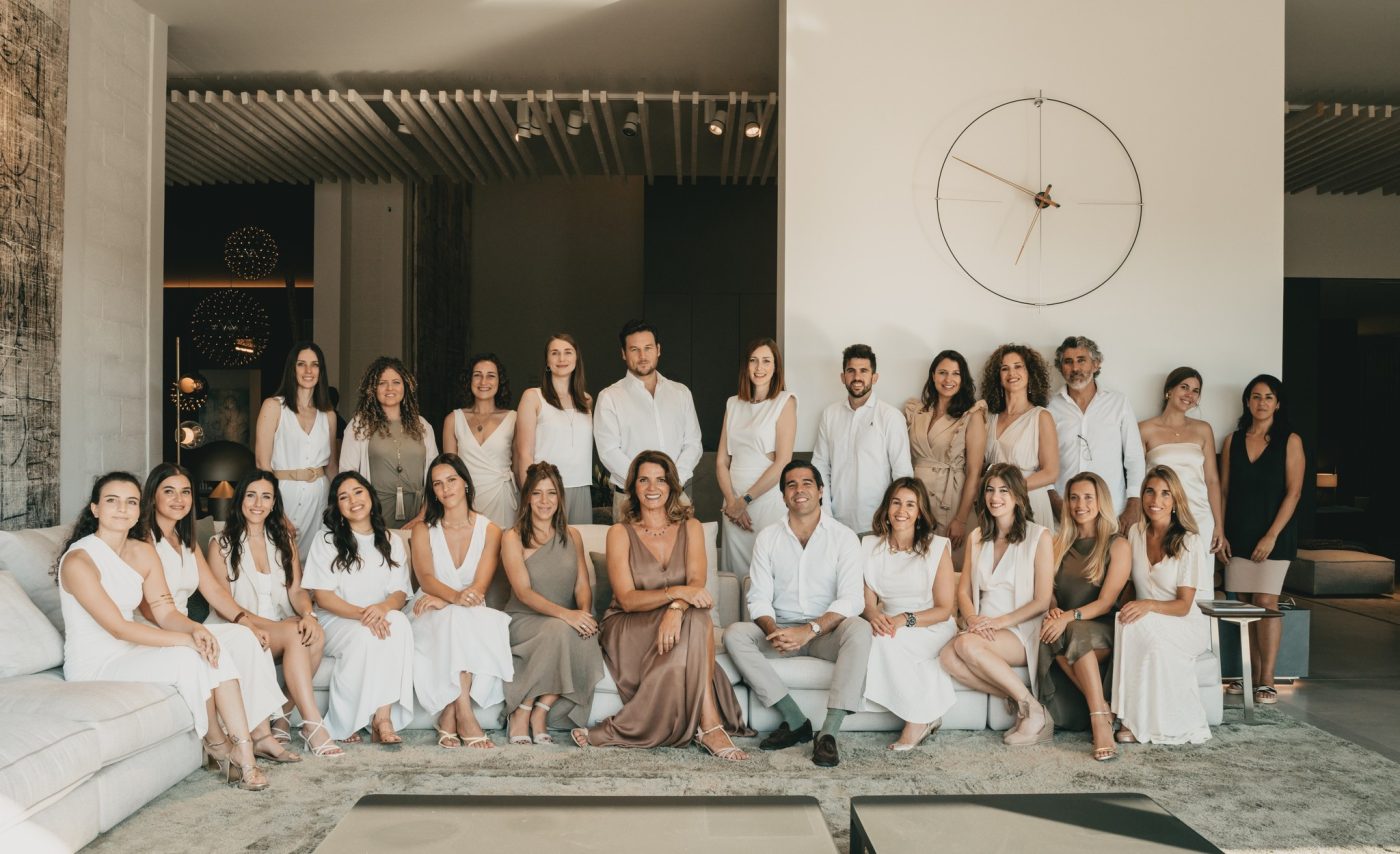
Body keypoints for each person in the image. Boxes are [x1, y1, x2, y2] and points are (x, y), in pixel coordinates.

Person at [55, 472, 270, 790]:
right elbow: (118, 628)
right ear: (95, 509)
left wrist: (197, 631)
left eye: (130, 502)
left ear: (139, 509)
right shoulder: (79, 561)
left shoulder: (141, 551)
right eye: (112, 501)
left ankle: (245, 751)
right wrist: (187, 641)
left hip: (130, 652)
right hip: (95, 663)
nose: (122, 509)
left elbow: (164, 611)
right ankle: (218, 745)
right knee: (189, 656)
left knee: (211, 646)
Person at [571, 451, 751, 759]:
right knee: (698, 620)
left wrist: (676, 610)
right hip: (627, 624)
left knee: (697, 618)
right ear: (633, 487)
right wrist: (677, 595)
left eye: (661, 480)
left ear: (672, 486)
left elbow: (697, 584)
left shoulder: (691, 527)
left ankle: (708, 725)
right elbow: (627, 599)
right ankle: (710, 727)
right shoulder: (620, 533)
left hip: (680, 620)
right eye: (644, 480)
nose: (652, 487)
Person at [138, 463, 297, 764]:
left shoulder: (185, 540)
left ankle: (262, 735)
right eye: (169, 491)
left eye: (185, 492)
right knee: (229, 641)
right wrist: (192, 631)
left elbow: (213, 590)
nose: (179, 499)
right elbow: (149, 608)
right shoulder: (143, 541)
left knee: (246, 638)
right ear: (152, 497)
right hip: (158, 629)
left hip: (185, 624)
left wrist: (246, 622)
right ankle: (237, 740)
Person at [723, 460, 871, 768]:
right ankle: (795, 720)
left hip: (827, 633)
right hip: (782, 631)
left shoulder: (843, 537)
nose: (799, 490)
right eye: (791, 484)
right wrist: (773, 631)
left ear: (820, 491)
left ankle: (828, 734)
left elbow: (852, 599)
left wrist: (810, 630)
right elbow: (758, 597)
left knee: (859, 628)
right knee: (735, 634)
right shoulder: (768, 537)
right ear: (783, 496)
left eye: (807, 483)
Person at [205, 469, 341, 757]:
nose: (258, 503)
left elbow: (297, 590)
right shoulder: (220, 545)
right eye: (251, 495)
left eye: (266, 497)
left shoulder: (282, 540)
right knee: (294, 632)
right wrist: (279, 626)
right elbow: (223, 605)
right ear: (240, 500)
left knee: (314, 633)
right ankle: (313, 725)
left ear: (274, 503)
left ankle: (283, 718)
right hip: (239, 627)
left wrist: (308, 614)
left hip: (278, 627)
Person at [938, 463, 1055, 746]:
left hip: (1021, 629)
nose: (995, 497)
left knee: (965, 646)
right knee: (947, 657)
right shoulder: (977, 537)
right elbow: (964, 591)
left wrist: (997, 623)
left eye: (1004, 490)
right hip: (983, 627)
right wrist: (972, 619)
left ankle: (1035, 711)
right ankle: (1017, 698)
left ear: (1018, 496)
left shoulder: (1039, 536)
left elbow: (1042, 600)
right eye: (990, 490)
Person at [301, 471, 415, 744]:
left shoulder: (392, 540)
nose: (353, 501)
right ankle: (344, 722)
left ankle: (382, 718)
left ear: (370, 496)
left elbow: (400, 593)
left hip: (380, 615)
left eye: (358, 492)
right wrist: (365, 614)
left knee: (400, 624)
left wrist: (382, 608)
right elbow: (323, 597)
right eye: (344, 497)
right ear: (337, 506)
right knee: (367, 635)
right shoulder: (326, 540)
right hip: (336, 619)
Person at [409, 453, 514, 749]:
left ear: (465, 482)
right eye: (438, 484)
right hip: (428, 608)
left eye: (452, 480)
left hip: (467, 606)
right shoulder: (422, 529)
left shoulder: (490, 530)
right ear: (433, 491)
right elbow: (426, 578)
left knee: (462, 620)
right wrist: (452, 597)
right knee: (456, 620)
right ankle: (465, 714)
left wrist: (450, 601)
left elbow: (480, 586)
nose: (446, 489)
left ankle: (450, 714)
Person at [500, 462, 604, 744]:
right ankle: (521, 710)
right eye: (537, 493)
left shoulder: (573, 536)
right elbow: (523, 592)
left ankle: (540, 711)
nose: (544, 501)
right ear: (527, 498)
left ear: (560, 497)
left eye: (551, 493)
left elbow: (582, 585)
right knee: (560, 630)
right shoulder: (512, 537)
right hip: (524, 619)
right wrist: (568, 616)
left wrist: (583, 614)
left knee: (584, 635)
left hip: (564, 620)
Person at [1112, 465, 1213, 745]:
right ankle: (1129, 718)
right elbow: (1129, 585)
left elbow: (1183, 606)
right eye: (1150, 491)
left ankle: (1137, 723)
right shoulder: (1135, 533)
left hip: (1184, 624)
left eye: (1165, 493)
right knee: (1125, 621)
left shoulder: (1189, 540)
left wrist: (1147, 605)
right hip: (1146, 618)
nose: (1156, 500)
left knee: (1142, 628)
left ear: (1175, 500)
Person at [1220, 374, 1304, 705]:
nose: (1262, 402)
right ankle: (1248, 676)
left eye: (1269, 397)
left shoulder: (1290, 440)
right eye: (1256, 396)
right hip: (1237, 533)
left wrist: (1271, 536)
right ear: (1247, 401)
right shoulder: (1232, 441)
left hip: (1274, 535)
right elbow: (1224, 491)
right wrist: (1221, 532)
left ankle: (1266, 680)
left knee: (1266, 602)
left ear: (1278, 404)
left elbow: (1293, 492)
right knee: (1243, 606)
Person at [1037, 472, 1131, 761]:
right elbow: (1049, 591)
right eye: (1074, 498)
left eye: (1088, 497)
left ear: (1101, 501)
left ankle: (1099, 723)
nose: (1080, 505)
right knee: (1049, 632)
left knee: (1074, 630)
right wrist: (1054, 609)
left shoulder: (1117, 544)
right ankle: (1102, 708)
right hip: (1066, 627)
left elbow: (1105, 603)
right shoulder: (1057, 543)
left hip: (1103, 627)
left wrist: (1067, 617)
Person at [860, 478, 959, 751]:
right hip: (889, 621)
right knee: (874, 636)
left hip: (930, 624)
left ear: (920, 512)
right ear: (886, 508)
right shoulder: (869, 546)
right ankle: (925, 715)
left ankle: (918, 719)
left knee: (885, 640)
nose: (901, 511)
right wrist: (874, 616)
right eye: (896, 503)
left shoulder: (937, 547)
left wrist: (905, 619)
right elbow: (867, 603)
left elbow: (944, 609)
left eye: (910, 505)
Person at [594, 319, 702, 521]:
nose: (642, 356)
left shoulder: (681, 393)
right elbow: (609, 451)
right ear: (624, 353)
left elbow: (693, 444)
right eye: (634, 349)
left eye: (648, 348)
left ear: (658, 349)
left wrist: (671, 481)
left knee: (684, 542)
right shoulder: (609, 397)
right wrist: (644, 484)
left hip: (676, 495)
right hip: (629, 498)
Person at [716, 337, 797, 579]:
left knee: (766, 569)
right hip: (732, 504)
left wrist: (745, 500)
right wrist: (732, 502)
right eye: (754, 361)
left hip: (766, 501)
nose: (759, 367)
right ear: (746, 366)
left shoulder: (785, 401)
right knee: (734, 575)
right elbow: (721, 461)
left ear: (776, 366)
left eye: (766, 361)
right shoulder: (733, 404)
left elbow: (783, 461)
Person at [812, 343, 913, 534]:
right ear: (843, 377)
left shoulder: (890, 416)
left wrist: (894, 520)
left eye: (864, 371)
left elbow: (902, 474)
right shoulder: (829, 415)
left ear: (874, 377)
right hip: (835, 522)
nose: (857, 377)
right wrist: (825, 512)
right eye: (851, 371)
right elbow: (820, 466)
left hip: (878, 523)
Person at [1047, 336, 1144, 528]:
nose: (1075, 368)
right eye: (1068, 362)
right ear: (1061, 367)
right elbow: (1041, 460)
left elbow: (1134, 457)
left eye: (1081, 360)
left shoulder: (1118, 403)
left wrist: (1134, 502)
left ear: (1096, 364)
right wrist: (1053, 500)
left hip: (1112, 512)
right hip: (1065, 514)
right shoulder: (1049, 407)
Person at [904, 349, 987, 567]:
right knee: (918, 564)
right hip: (919, 498)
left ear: (963, 379)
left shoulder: (972, 415)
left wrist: (961, 519)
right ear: (933, 376)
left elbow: (974, 472)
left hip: (953, 500)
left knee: (950, 566)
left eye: (955, 374)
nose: (948, 379)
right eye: (942, 372)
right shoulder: (917, 411)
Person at [254, 342, 338, 557]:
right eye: (301, 364)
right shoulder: (274, 406)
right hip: (283, 495)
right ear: (292, 369)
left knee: (315, 558)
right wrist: (276, 511)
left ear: (321, 371)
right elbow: (262, 464)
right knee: (279, 555)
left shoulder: (328, 415)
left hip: (319, 499)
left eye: (315, 365)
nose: (308, 370)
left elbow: (331, 467)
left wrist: (340, 504)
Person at [340, 357, 439, 528]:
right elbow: (347, 475)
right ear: (373, 388)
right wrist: (364, 517)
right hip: (374, 516)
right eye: (382, 383)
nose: (390, 388)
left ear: (405, 386)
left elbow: (435, 474)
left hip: (418, 516)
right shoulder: (358, 425)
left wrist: (423, 515)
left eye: (396, 382)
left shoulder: (422, 425)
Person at [1140, 367, 1225, 562]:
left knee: (1199, 575)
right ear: (1169, 390)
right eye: (1184, 387)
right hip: (1161, 514)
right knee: (1164, 574)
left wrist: (1218, 525)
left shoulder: (1203, 429)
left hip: (1199, 515)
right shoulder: (1145, 429)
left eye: (1195, 391)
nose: (1189, 394)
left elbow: (1212, 480)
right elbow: (1139, 479)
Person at [513, 333, 594, 525]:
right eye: (555, 353)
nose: (561, 358)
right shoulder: (533, 397)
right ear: (547, 361)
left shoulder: (587, 400)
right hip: (545, 490)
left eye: (568, 352)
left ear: (576, 358)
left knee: (579, 542)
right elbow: (523, 453)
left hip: (581, 487)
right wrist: (529, 495)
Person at [981, 344, 1059, 528]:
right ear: (997, 376)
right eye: (1004, 368)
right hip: (994, 503)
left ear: (1030, 372)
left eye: (1018, 366)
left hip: (1028, 500)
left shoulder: (1041, 416)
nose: (1011, 373)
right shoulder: (988, 417)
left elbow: (1051, 472)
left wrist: (1010, 490)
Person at [443, 354, 518, 528]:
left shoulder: (513, 419)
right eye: (477, 375)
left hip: (502, 499)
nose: (483, 381)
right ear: (469, 380)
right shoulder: (453, 419)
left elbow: (519, 467)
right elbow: (449, 473)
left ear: (500, 382)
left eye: (491, 375)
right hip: (466, 500)